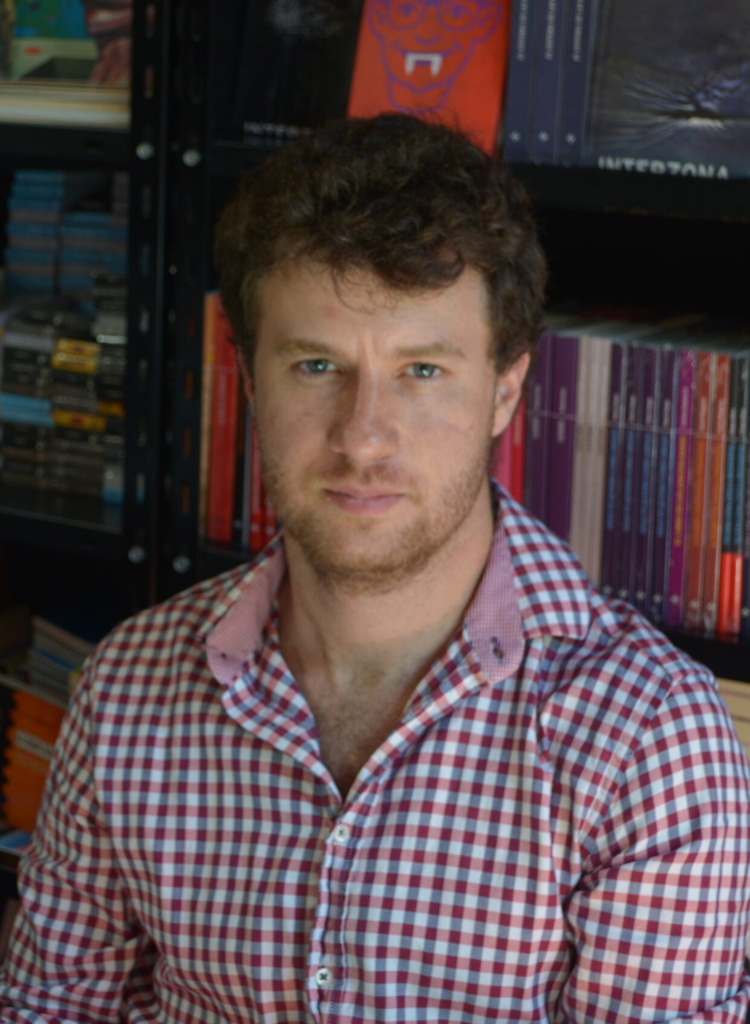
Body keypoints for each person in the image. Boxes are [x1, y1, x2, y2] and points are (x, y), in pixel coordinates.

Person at [1, 113, 749, 1024]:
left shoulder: (648, 738)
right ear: (249, 379)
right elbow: (54, 1007)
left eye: (422, 371)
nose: (362, 438)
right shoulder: (127, 682)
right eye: (317, 365)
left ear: (505, 391)